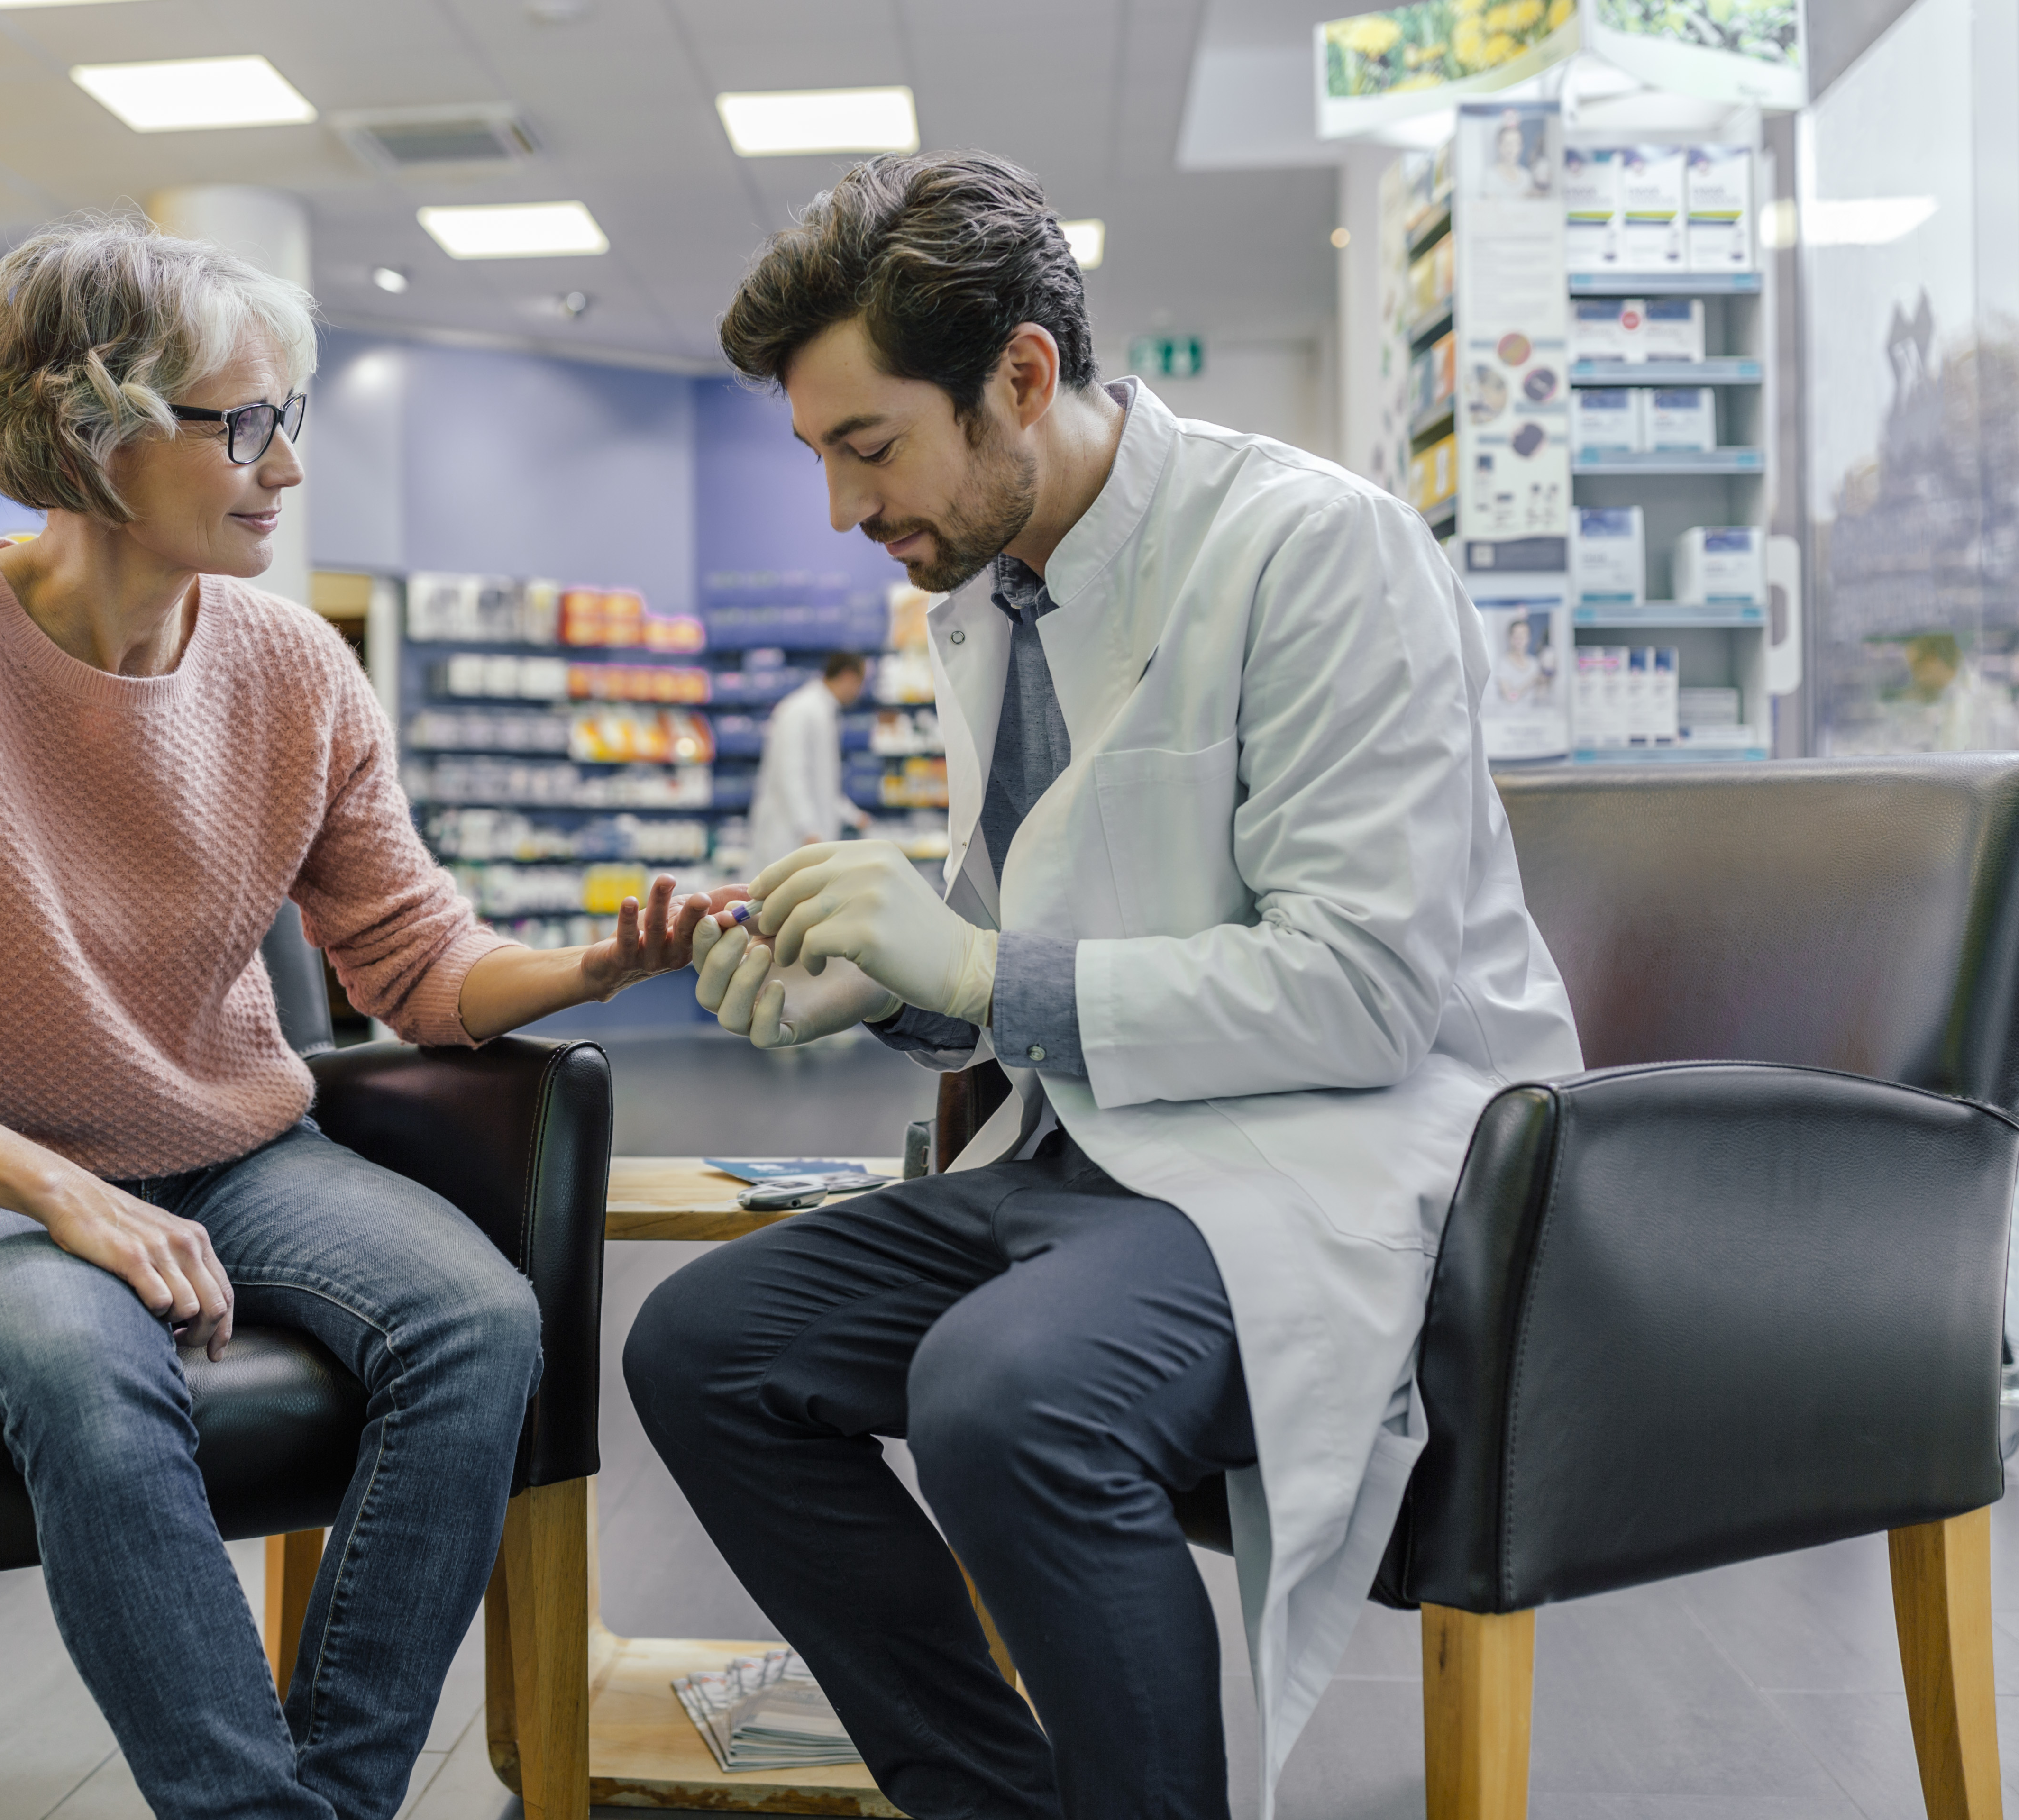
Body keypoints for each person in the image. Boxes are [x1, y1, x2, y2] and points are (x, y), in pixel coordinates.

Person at [0, 216, 714, 1820]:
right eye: (239, 423)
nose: (284, 471)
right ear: (89, 427)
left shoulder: (295, 668)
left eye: (283, 421)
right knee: (101, 1382)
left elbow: (418, 965)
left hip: (239, 1149)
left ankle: (327, 1801)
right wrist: (64, 1194)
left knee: (481, 1323)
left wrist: (595, 967)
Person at [628, 152, 1582, 1819]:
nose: (844, 513)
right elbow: (1033, 925)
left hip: (1329, 1157)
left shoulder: (1315, 552)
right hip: (1098, 1156)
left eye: (870, 446)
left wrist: (982, 966)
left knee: (1007, 1397)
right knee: (705, 1344)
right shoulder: (993, 590)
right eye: (820, 458)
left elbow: (1359, 991)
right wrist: (881, 987)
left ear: (1021, 376)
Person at [747, 649, 870, 863]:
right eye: (860, 683)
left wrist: (854, 816)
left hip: (810, 835)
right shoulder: (801, 710)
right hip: (789, 837)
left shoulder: (823, 711)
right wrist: (808, 829)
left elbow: (824, 782)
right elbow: (792, 774)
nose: (859, 692)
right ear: (849, 677)